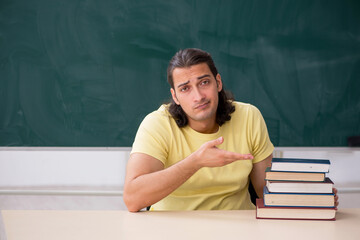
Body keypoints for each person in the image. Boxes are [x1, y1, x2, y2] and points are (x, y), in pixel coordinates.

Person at [123, 48, 338, 212]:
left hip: (239, 228)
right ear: (175, 97)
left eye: (204, 82)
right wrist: (195, 162)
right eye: (185, 88)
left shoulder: (248, 117)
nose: (198, 96)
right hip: (172, 229)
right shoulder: (157, 124)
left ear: (218, 83)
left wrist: (314, 195)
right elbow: (132, 199)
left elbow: (268, 189)